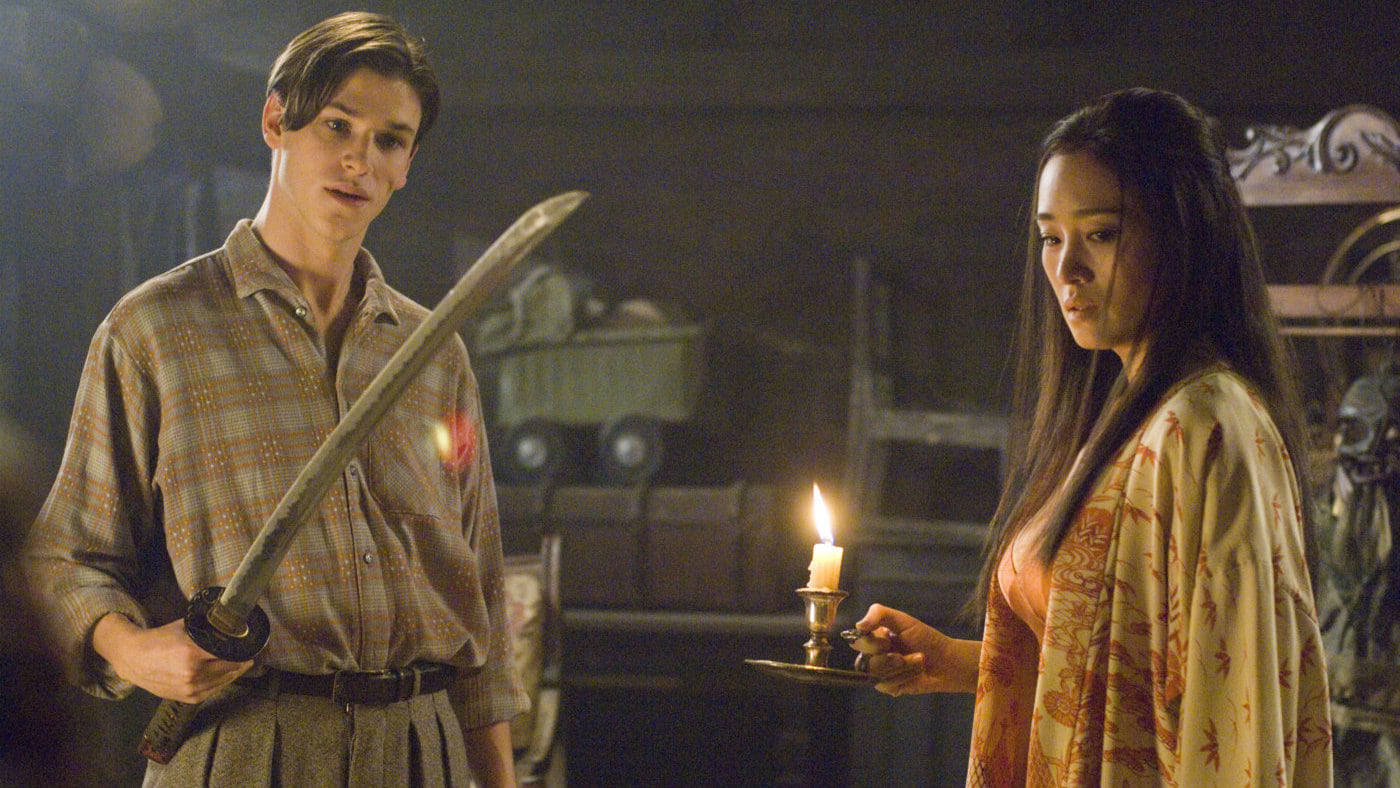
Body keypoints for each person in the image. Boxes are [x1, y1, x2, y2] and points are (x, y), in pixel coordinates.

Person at [23, 12, 527, 786]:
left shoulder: (435, 355)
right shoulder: (156, 331)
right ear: (275, 121)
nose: (359, 159)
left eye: (389, 141)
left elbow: (480, 599)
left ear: (406, 165)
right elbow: (61, 562)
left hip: (421, 752)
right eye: (337, 125)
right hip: (244, 745)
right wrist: (135, 651)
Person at [853, 88, 1334, 784]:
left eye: (1101, 234)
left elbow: (1233, 716)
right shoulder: (1124, 414)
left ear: (1183, 235)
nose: (1066, 269)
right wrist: (955, 662)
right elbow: (1116, 677)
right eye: (1051, 238)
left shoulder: (1206, 426)